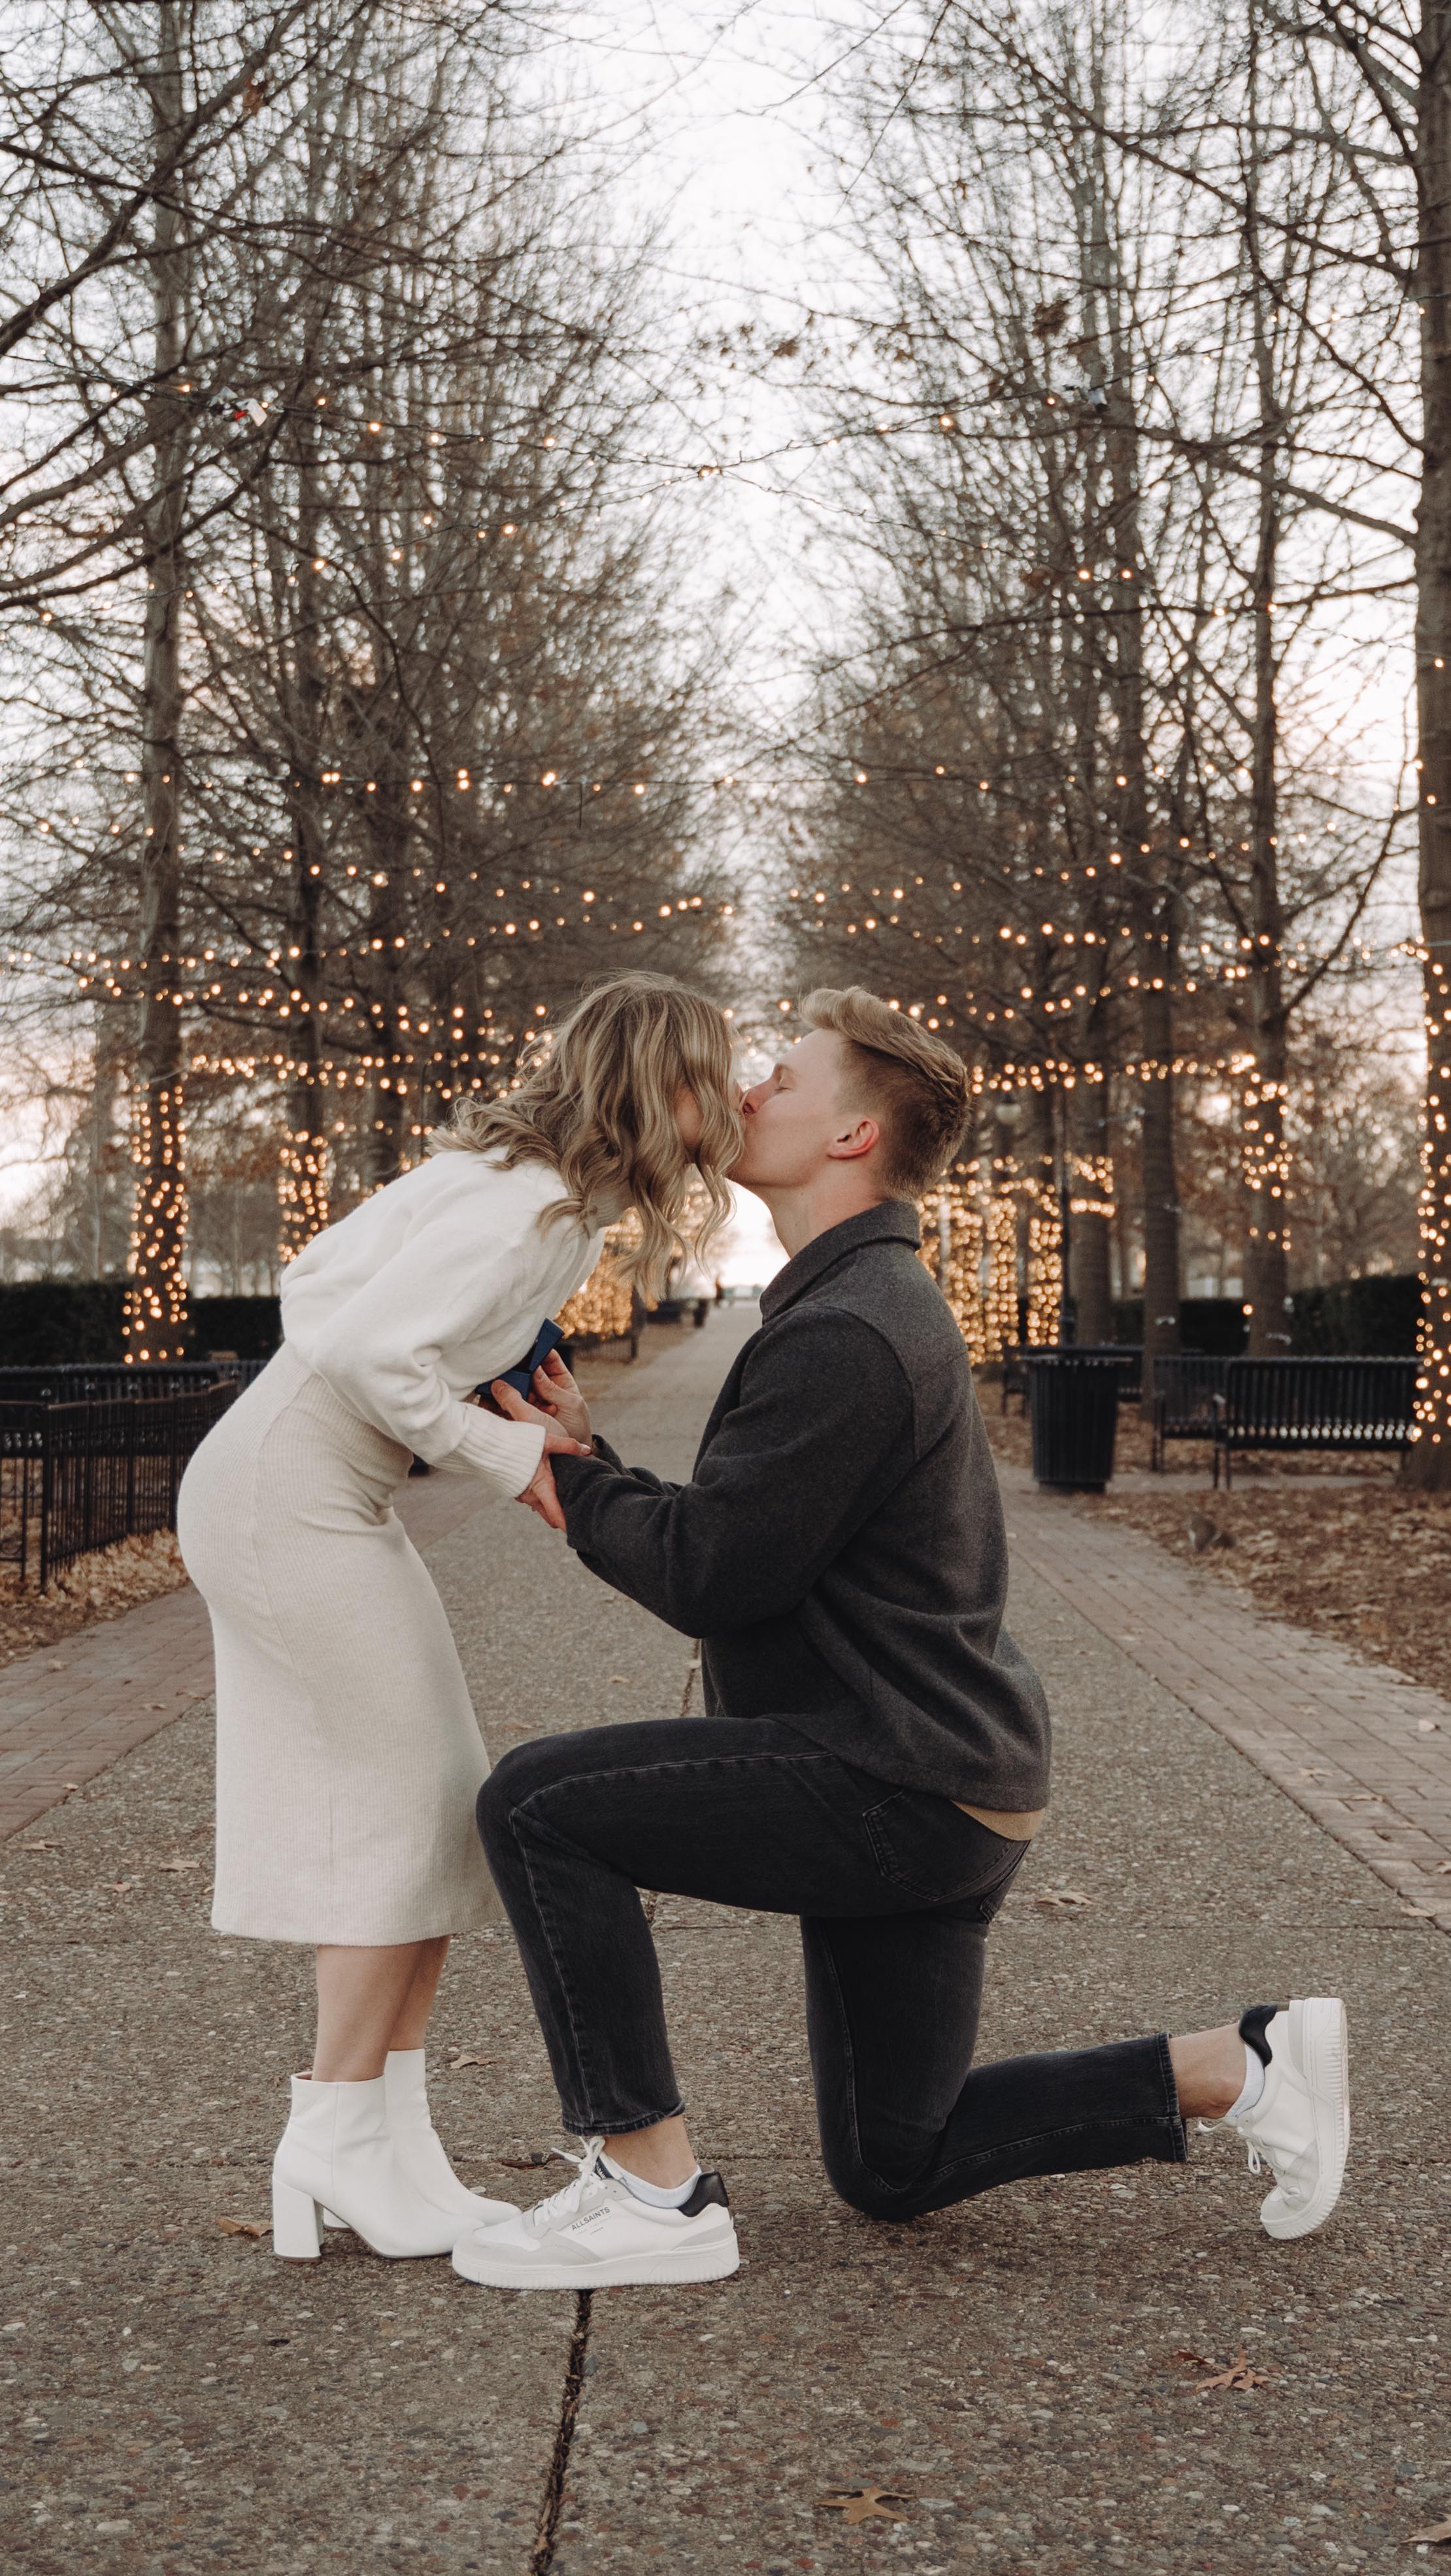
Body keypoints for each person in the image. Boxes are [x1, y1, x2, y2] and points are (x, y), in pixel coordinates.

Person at [454, 985, 1349, 2293]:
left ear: (852, 1137)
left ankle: (649, 2191)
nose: (747, 1087)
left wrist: (567, 1482)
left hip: (898, 1781)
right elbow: (753, 1535)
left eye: (783, 1077)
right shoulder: (858, 1302)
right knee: (895, 2160)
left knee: (538, 1806)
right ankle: (1245, 2064)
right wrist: (598, 1468)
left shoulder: (851, 1328)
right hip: (946, 1778)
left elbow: (711, 1571)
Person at [176, 972, 742, 2262]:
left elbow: (318, 1281)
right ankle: (332, 2132)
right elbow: (367, 1349)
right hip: (291, 1496)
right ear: (658, 1084)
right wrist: (509, 1454)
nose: (726, 1106)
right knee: (406, 1809)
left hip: (311, 1487)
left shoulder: (533, 1191)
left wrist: (491, 1413)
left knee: (431, 1810)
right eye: (712, 1078)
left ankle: (386, 2138)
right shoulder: (527, 1206)